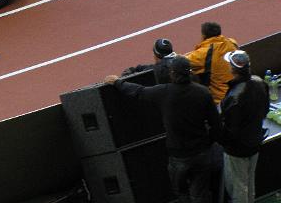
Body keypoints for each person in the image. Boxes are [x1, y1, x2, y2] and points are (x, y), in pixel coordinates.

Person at [105, 56, 221, 203]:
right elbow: (216, 124)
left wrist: (117, 82)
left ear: (172, 73)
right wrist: (208, 143)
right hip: (201, 152)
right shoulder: (203, 93)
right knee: (200, 193)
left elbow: (138, 91)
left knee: (181, 192)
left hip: (178, 154)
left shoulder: (164, 92)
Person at [219, 50, 270, 203]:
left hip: (237, 148)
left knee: (239, 186)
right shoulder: (260, 83)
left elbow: (230, 125)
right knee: (249, 183)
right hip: (255, 140)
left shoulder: (235, 95)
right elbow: (265, 110)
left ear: (233, 69)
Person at [186, 22, 238, 104]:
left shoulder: (204, 53)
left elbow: (182, 61)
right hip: (238, 92)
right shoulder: (232, 43)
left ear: (203, 36)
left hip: (220, 100)